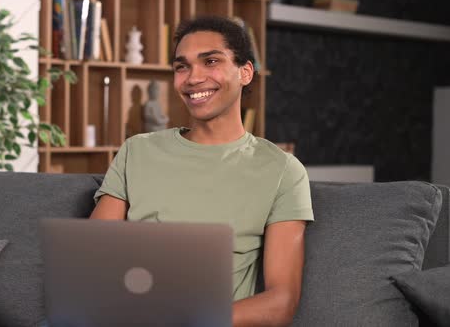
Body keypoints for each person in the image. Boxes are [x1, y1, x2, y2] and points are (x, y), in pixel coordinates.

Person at [90, 16, 314, 327]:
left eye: (210, 61)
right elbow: (92, 258)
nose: (193, 77)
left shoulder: (283, 171)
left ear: (246, 72)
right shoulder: (137, 150)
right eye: (182, 66)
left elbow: (281, 302)